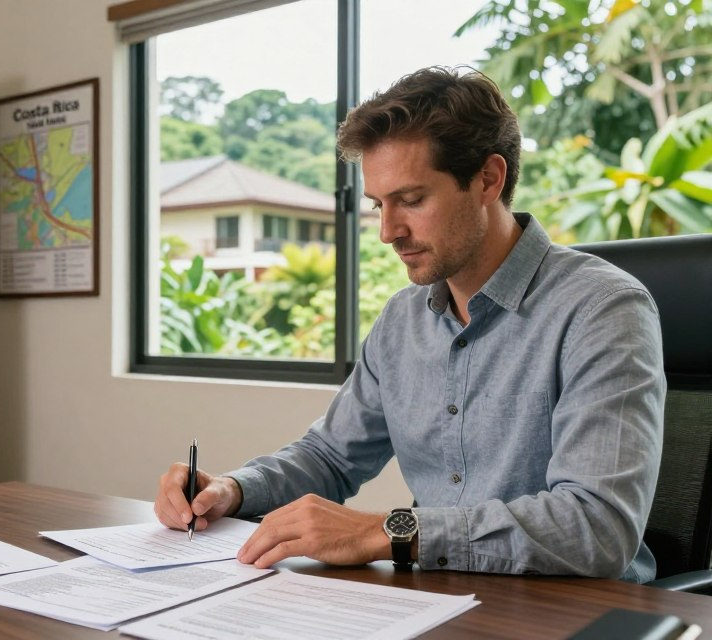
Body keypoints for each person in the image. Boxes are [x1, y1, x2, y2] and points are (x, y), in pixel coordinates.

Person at [154, 66, 666, 582]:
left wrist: (386, 532)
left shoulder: (603, 309)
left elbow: (598, 527)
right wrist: (233, 489)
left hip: (577, 614)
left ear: (489, 179)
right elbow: (330, 457)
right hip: (433, 600)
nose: (387, 232)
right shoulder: (403, 318)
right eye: (379, 204)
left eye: (412, 200)